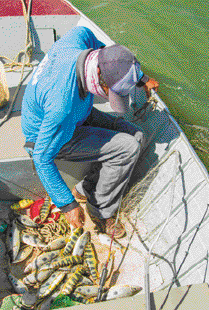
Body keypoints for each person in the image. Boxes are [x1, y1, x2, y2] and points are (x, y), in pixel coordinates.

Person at [21, 26, 159, 237]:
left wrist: (140, 78)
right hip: (50, 135)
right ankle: (100, 212)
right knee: (128, 147)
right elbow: (41, 158)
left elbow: (112, 57)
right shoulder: (62, 107)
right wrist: (67, 205)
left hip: (79, 112)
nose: (110, 99)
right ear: (98, 78)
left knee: (137, 136)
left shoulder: (79, 37)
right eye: (111, 94)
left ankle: (86, 189)